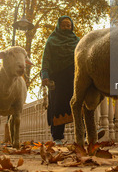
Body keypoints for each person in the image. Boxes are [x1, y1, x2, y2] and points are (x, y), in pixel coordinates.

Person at [41, 16, 80, 145]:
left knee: (78, 104)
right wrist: (45, 75)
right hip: (57, 79)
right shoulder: (52, 41)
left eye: (68, 25)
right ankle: (57, 136)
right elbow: (46, 59)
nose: (66, 28)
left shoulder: (77, 41)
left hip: (73, 77)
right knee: (57, 105)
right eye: (63, 25)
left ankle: (83, 134)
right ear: (58, 26)